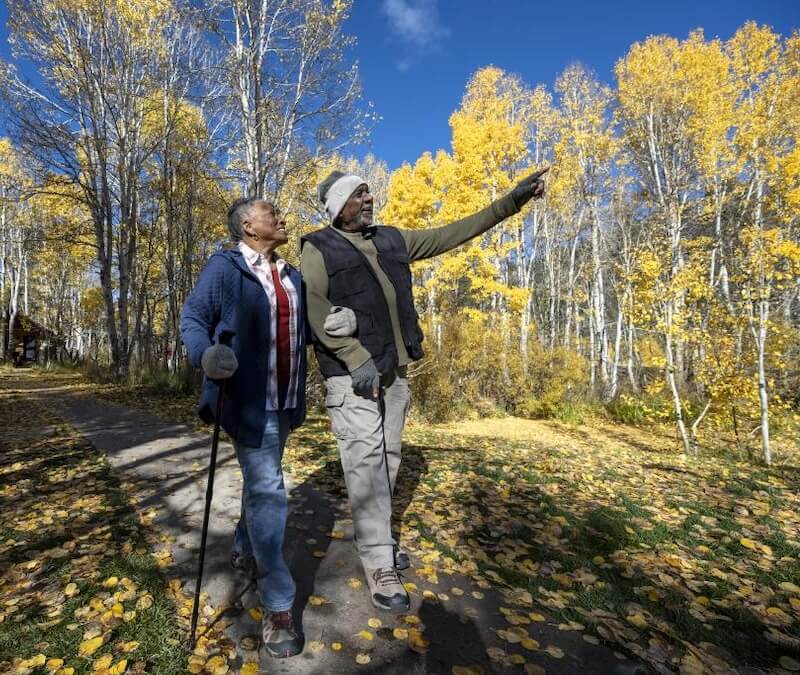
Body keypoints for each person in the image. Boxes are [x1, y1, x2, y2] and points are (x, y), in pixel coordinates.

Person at [300, 167, 548, 612]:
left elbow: (453, 233)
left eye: (368, 191)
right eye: (359, 195)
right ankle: (378, 561)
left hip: (393, 372)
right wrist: (355, 359)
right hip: (350, 376)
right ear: (340, 207)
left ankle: (379, 540)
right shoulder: (318, 246)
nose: (369, 198)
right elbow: (314, 309)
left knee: (389, 458)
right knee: (365, 463)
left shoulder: (393, 239)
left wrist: (513, 200)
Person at [180, 197, 354, 658]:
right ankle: (278, 605)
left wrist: (334, 325)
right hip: (247, 403)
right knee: (270, 492)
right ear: (247, 226)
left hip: (287, 403)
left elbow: (303, 332)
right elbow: (194, 318)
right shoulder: (225, 268)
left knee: (262, 488)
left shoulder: (292, 276)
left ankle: (243, 542)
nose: (279, 216)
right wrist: (205, 355)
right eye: (268, 211)